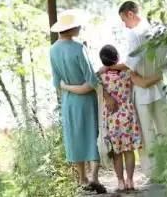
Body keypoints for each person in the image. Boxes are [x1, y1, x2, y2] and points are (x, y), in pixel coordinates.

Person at [104, 1, 167, 177]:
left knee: (147, 132)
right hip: (159, 85)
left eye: (124, 20)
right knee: (165, 129)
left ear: (130, 14)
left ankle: (154, 171)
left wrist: (108, 68)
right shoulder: (159, 29)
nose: (124, 25)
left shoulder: (135, 34)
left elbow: (130, 64)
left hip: (142, 91)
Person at [49, 10, 106, 194]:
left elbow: (58, 83)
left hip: (68, 102)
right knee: (91, 135)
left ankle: (82, 179)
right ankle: (94, 178)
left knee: (74, 137)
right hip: (86, 101)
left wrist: (68, 88)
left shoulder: (53, 49)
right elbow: (91, 82)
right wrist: (78, 88)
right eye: (78, 25)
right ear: (71, 28)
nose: (80, 28)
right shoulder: (79, 47)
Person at [97, 44, 161, 192]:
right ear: (118, 58)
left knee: (117, 152)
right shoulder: (127, 73)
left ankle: (120, 182)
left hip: (112, 118)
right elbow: (142, 83)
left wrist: (103, 70)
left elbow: (91, 78)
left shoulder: (101, 77)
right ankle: (130, 181)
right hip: (127, 115)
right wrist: (159, 75)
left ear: (103, 61)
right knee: (129, 150)